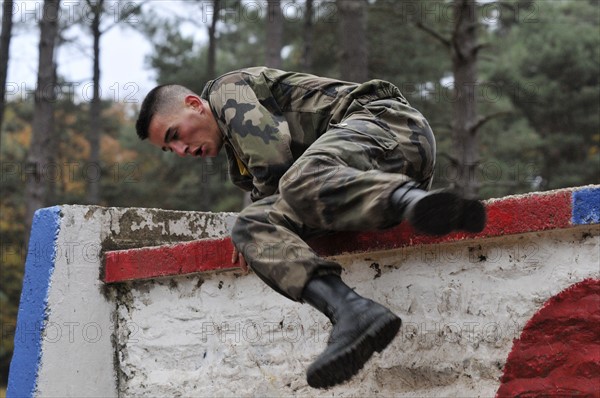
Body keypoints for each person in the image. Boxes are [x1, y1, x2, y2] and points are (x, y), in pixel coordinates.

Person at [135, 67, 486, 389]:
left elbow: (274, 162)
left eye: (175, 134)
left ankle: (414, 203)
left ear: (195, 105)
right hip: (365, 176)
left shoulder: (228, 91)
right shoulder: (238, 162)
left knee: (295, 183)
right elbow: (274, 201)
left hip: (388, 127)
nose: (182, 150)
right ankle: (351, 311)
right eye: (170, 149)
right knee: (251, 226)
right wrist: (260, 239)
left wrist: (273, 215)